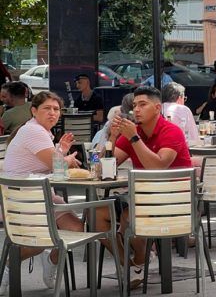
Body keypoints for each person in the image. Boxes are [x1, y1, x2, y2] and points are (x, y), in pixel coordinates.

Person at [95, 86, 192, 279]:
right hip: (142, 197)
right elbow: (103, 169)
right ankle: (128, 264)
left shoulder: (171, 131)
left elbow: (158, 168)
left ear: (157, 108)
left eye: (142, 104)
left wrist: (133, 138)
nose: (136, 110)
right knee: (95, 215)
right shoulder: (134, 131)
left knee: (130, 217)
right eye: (134, 106)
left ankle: (140, 259)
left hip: (174, 199)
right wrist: (113, 137)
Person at [3, 91, 84, 290]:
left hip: (42, 197)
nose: (52, 113)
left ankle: (51, 261)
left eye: (56, 109)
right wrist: (67, 160)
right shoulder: (33, 131)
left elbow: (51, 164)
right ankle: (7, 267)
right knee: (40, 241)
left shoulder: (42, 132)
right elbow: (55, 167)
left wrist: (61, 152)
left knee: (76, 229)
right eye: (47, 108)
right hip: (22, 199)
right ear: (34, 111)